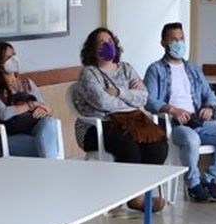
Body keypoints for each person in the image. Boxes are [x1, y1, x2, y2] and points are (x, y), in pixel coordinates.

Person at [69, 27, 169, 212]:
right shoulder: (89, 73)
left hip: (133, 121)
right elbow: (103, 102)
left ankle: (137, 193)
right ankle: (135, 198)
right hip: (97, 126)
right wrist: (130, 97)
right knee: (129, 146)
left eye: (110, 41)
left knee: (158, 145)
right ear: (92, 49)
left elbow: (144, 97)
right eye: (101, 42)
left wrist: (119, 92)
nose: (108, 45)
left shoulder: (126, 68)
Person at [143, 22, 216, 202]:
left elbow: (209, 94)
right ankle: (193, 184)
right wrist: (172, 110)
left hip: (198, 121)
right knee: (191, 139)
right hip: (173, 124)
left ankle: (209, 178)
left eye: (181, 39)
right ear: (164, 43)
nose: (179, 43)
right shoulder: (155, 69)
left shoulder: (194, 69)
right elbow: (149, 100)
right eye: (174, 40)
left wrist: (209, 107)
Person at [0, 41, 60, 158]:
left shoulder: (27, 83)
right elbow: (4, 113)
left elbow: (45, 107)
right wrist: (31, 105)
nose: (13, 59)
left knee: (49, 123)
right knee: (46, 144)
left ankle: (47, 171)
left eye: (14, 54)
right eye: (8, 57)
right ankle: (50, 172)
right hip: (10, 137)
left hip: (34, 128)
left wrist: (43, 110)